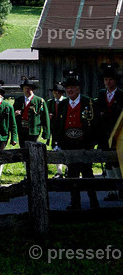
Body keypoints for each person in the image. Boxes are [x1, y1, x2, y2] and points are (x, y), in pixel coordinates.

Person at [52, 70, 99, 210]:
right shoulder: (62, 104)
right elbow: (57, 125)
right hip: (69, 144)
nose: (69, 90)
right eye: (67, 88)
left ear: (78, 89)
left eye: (72, 88)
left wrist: (93, 142)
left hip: (84, 144)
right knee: (72, 175)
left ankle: (94, 202)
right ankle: (75, 203)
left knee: (87, 173)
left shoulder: (88, 102)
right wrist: (57, 143)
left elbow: (96, 123)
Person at [94, 63, 122, 201]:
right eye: (106, 80)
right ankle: (112, 191)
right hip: (104, 133)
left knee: (117, 161)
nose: (108, 82)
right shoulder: (101, 94)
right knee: (107, 162)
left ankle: (120, 189)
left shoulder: (121, 95)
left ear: (115, 80)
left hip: (117, 133)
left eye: (110, 79)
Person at [14, 76, 50, 146]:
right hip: (21, 130)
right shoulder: (18, 100)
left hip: (33, 130)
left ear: (33, 89)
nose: (27, 90)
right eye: (25, 88)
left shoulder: (39, 101)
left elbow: (45, 118)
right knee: (22, 148)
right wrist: (15, 114)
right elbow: (12, 115)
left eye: (29, 88)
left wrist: (46, 133)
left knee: (32, 148)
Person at [49, 80, 68, 179]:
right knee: (56, 149)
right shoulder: (50, 103)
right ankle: (59, 172)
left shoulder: (66, 102)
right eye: (55, 92)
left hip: (65, 129)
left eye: (58, 92)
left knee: (66, 148)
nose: (56, 93)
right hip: (55, 130)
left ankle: (68, 168)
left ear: (62, 93)